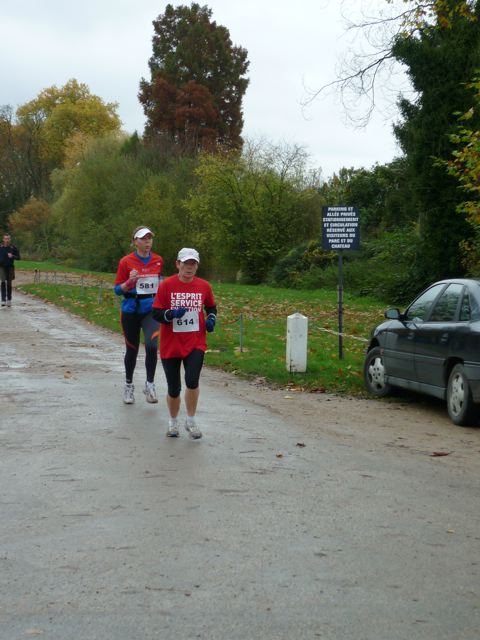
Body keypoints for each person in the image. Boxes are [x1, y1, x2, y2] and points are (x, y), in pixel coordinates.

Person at [152, 247, 217, 439]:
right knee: (174, 389)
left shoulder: (204, 286)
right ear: (178, 264)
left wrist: (211, 319)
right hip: (171, 344)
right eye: (186, 263)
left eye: (193, 264)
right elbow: (156, 312)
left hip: (195, 342)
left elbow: (211, 307)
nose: (189, 267)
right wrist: (171, 314)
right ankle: (173, 422)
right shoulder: (166, 285)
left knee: (192, 380)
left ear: (197, 266)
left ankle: (191, 420)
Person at [114, 226, 163, 405]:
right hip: (131, 310)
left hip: (151, 310)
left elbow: (159, 282)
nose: (147, 242)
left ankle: (150, 384)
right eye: (143, 238)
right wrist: (129, 282)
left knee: (151, 346)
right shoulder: (126, 262)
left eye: (149, 238)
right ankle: (128, 385)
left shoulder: (158, 260)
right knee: (132, 349)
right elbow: (117, 289)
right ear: (135, 242)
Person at [0, 233, 21, 307]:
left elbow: (19, 257)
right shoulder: (1, 247)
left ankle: (9, 299)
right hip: (2, 267)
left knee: (9, 283)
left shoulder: (13, 248)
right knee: (3, 282)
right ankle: (3, 299)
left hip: (10, 267)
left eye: (8, 238)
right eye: (5, 238)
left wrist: (12, 256)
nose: (7, 240)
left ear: (10, 239)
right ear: (3, 239)